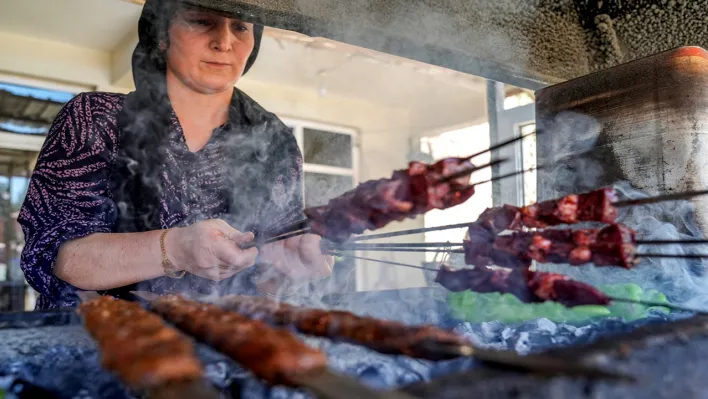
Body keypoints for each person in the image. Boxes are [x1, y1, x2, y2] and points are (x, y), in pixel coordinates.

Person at [18, 0, 333, 310]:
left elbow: (265, 285)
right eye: (201, 21)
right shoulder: (94, 117)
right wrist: (177, 248)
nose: (224, 42)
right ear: (162, 34)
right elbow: (59, 257)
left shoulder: (275, 141)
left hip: (224, 347)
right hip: (94, 343)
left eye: (240, 26)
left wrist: (291, 270)